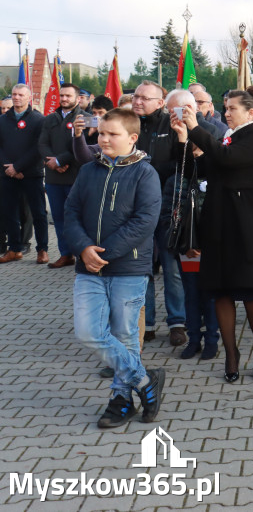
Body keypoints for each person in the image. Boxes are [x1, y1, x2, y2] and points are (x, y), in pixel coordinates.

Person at [65, 108, 164, 428]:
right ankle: (144, 381)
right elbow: (71, 212)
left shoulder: (145, 174)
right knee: (88, 332)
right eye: (102, 133)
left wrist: (102, 253)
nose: (103, 139)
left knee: (124, 335)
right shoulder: (89, 171)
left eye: (112, 134)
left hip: (128, 269)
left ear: (132, 138)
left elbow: (145, 222)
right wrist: (83, 248)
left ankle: (121, 400)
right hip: (88, 269)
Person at [179, 90, 253, 383]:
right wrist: (188, 142)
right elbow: (207, 168)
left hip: (245, 223)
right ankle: (231, 355)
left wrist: (196, 129)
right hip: (217, 221)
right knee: (221, 290)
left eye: (232, 108)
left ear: (251, 113)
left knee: (250, 290)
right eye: (225, 107)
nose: (226, 113)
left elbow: (228, 159)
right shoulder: (227, 137)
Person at [162, 94, 220, 362]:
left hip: (209, 242)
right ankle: (193, 338)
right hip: (187, 244)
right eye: (191, 147)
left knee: (210, 295)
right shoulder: (181, 174)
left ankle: (212, 339)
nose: (195, 150)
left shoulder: (215, 174)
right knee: (191, 293)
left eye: (200, 145)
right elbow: (171, 209)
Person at [132, 80, 186, 345]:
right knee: (143, 269)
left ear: (160, 103)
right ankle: (148, 323)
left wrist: (153, 171)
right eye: (135, 96)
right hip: (136, 209)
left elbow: (181, 161)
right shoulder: (127, 124)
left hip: (167, 207)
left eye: (144, 98)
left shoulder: (171, 125)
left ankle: (178, 322)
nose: (138, 101)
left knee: (171, 266)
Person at [0, 83, 49, 265]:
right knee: (9, 212)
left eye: (21, 94)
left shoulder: (39, 120)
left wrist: (19, 167)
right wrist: (9, 169)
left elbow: (38, 147)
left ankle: (42, 249)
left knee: (38, 214)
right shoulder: (3, 120)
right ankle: (14, 249)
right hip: (7, 175)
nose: (16, 97)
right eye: (14, 94)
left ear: (29, 98)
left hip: (31, 174)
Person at [38, 82, 84, 268]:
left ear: (78, 98)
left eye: (68, 96)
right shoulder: (50, 119)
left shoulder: (85, 118)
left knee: (79, 217)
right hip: (53, 177)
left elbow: (82, 146)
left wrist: (60, 160)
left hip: (76, 177)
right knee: (58, 217)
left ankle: (82, 253)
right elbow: (42, 144)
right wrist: (53, 163)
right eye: (62, 96)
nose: (64, 99)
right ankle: (65, 254)